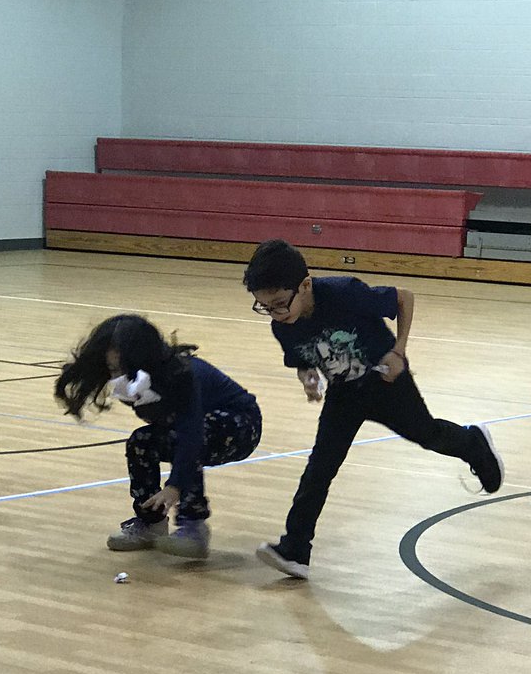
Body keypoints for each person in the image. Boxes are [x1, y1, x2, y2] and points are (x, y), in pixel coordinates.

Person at [243, 240, 503, 579]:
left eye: (280, 303)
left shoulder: (343, 292)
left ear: (305, 285)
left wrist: (399, 350)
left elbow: (403, 297)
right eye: (266, 307)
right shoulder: (283, 326)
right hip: (344, 396)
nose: (276, 313)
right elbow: (303, 359)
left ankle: (473, 443)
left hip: (386, 383)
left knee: (427, 434)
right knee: (319, 468)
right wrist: (307, 377)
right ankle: (295, 548)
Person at [55, 314, 262, 560]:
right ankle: (150, 523)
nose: (116, 376)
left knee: (181, 441)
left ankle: (193, 526)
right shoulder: (136, 385)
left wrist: (174, 486)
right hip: (192, 430)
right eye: (112, 370)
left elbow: (190, 435)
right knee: (140, 442)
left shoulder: (184, 375)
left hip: (240, 427)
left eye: (123, 369)